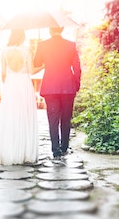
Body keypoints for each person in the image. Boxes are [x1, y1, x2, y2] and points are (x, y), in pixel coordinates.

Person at [0, 29, 43, 165]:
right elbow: (32, 71)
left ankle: (9, 151)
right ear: (22, 37)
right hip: (24, 84)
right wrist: (43, 66)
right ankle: (25, 153)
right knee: (25, 116)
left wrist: (9, 85)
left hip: (10, 85)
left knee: (10, 117)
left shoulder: (4, 51)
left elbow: (3, 74)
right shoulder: (27, 50)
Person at [33, 26, 81, 159]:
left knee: (53, 119)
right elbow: (77, 67)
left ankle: (55, 149)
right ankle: (64, 147)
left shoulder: (43, 45)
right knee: (66, 118)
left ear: (50, 30)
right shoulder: (71, 45)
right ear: (62, 29)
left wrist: (39, 47)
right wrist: (76, 85)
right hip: (68, 87)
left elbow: (36, 63)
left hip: (50, 87)